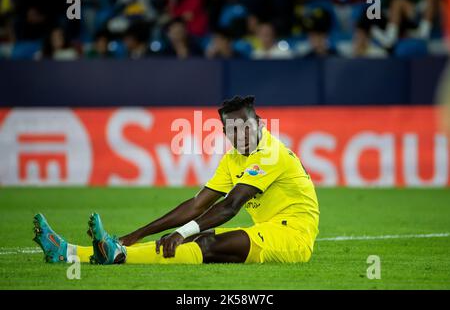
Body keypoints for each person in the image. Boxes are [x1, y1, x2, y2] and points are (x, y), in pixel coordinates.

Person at [33, 96, 320, 265]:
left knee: (203, 245)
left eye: (246, 126)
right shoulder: (233, 159)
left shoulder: (270, 153)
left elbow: (230, 206)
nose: (241, 134)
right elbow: (197, 205)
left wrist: (180, 232)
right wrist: (140, 233)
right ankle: (69, 253)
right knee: (197, 238)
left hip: (293, 238)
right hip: (269, 229)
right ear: (225, 133)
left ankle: (119, 257)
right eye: (233, 129)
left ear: (260, 124)